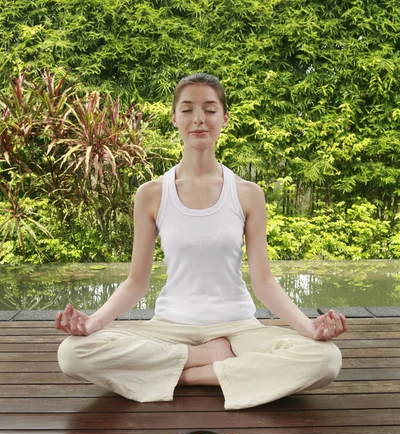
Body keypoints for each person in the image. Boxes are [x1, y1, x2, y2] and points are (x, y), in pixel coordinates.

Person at [55, 72, 347, 410]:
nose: (199, 120)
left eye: (209, 109)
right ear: (175, 118)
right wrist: (91, 324)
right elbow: (136, 282)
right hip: (169, 328)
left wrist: (309, 329)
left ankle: (182, 375)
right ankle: (206, 361)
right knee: (72, 354)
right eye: (188, 109)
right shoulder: (151, 194)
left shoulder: (248, 194)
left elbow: (263, 282)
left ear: (224, 117)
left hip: (238, 328)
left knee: (326, 359)